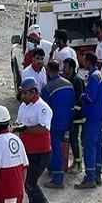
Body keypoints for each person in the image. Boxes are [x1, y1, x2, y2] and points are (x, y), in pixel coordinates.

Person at [13, 77, 52, 203]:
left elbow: (44, 128)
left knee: (30, 182)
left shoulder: (42, 108)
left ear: (33, 92)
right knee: (27, 184)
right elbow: (19, 122)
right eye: (21, 93)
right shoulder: (23, 106)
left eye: (25, 93)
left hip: (41, 152)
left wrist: (24, 129)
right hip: (27, 152)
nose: (22, 96)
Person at [75, 52, 102, 189]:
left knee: (89, 146)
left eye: (84, 60)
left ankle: (90, 178)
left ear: (88, 61)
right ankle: (97, 174)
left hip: (93, 117)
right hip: (100, 115)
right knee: (98, 145)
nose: (82, 62)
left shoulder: (94, 77)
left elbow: (91, 97)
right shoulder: (101, 76)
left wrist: (82, 96)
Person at [41, 60, 74, 189]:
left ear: (48, 70)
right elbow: (72, 105)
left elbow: (44, 109)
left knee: (55, 149)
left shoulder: (47, 88)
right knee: (61, 148)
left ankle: (58, 179)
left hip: (54, 124)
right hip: (66, 122)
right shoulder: (69, 84)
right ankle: (54, 169)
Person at [63, 57, 86, 174]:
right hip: (73, 116)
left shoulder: (77, 80)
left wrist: (74, 112)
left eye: (65, 67)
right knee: (72, 140)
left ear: (71, 68)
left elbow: (79, 100)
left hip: (78, 117)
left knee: (77, 140)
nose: (64, 69)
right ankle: (75, 162)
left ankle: (79, 164)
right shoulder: (71, 79)